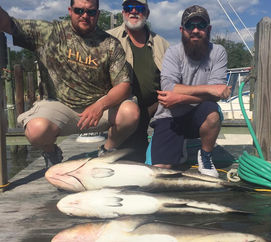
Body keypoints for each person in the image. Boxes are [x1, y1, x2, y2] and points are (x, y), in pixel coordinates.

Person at [0, 0, 140, 167]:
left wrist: (100, 105)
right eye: (79, 10)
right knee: (36, 130)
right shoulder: (49, 32)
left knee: (130, 112)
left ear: (98, 14)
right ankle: (51, 152)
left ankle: (107, 150)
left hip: (99, 108)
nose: (85, 16)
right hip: (60, 106)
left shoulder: (110, 44)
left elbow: (123, 86)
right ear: (70, 10)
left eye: (91, 12)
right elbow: (7, 23)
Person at [148, 5, 231, 177]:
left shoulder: (218, 52)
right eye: (189, 26)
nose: (195, 30)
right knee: (159, 171)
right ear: (181, 29)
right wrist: (210, 88)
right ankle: (179, 147)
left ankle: (206, 155)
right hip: (170, 116)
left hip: (198, 115)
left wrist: (179, 98)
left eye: (201, 26)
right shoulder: (172, 52)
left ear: (208, 29)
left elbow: (214, 98)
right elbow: (168, 88)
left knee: (213, 114)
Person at [107, 0, 169, 161]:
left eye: (140, 8)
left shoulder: (163, 44)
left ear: (147, 13)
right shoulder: (107, 38)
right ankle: (108, 147)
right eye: (128, 8)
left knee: (156, 157)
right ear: (123, 12)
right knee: (128, 158)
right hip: (122, 107)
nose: (133, 11)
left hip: (154, 108)